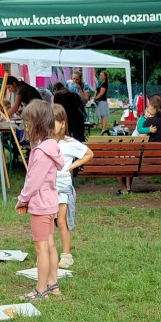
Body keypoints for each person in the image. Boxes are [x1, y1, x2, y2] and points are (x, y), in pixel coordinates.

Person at [15, 101, 63, 302]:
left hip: (41, 205)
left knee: (41, 248)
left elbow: (33, 181)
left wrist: (22, 200)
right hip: (48, 203)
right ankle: (53, 284)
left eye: (28, 124)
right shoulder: (50, 147)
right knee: (50, 245)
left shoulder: (42, 152)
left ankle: (41, 289)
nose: (26, 128)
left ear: (39, 125)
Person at [51, 104, 91, 273]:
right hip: (47, 186)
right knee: (46, 221)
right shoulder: (44, 141)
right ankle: (46, 254)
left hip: (63, 185)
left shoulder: (70, 143)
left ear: (62, 124)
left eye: (52, 122)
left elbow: (89, 153)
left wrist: (72, 166)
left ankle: (66, 255)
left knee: (62, 221)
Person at [93, 70, 110, 135]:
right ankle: (102, 128)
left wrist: (95, 98)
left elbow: (101, 93)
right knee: (102, 116)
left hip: (102, 101)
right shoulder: (102, 83)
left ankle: (103, 129)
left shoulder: (104, 84)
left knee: (103, 116)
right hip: (100, 101)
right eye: (100, 75)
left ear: (105, 76)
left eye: (102, 75)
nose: (101, 76)